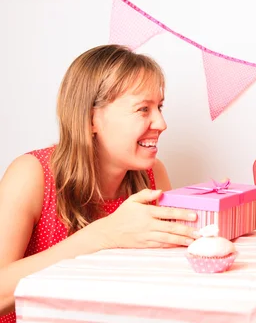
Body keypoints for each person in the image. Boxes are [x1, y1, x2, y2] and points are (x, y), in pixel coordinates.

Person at [0, 45, 200, 322]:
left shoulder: (153, 174)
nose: (161, 123)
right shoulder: (31, 175)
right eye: (143, 109)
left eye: (159, 107)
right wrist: (101, 236)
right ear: (91, 118)